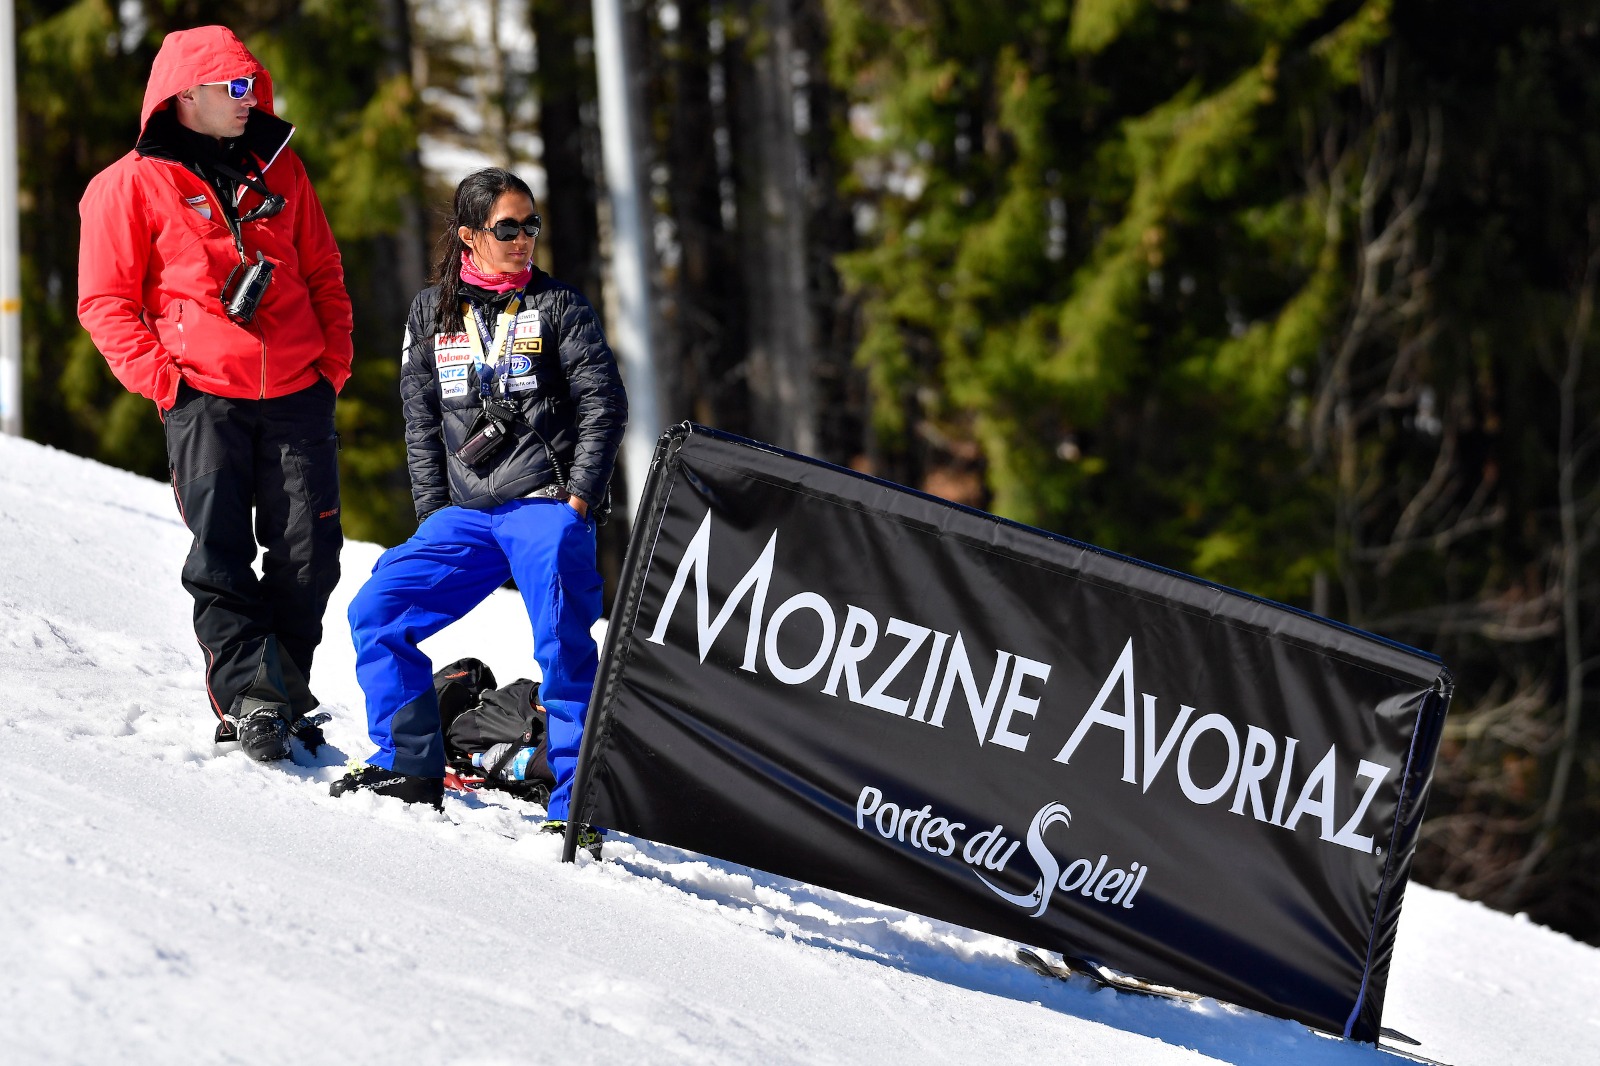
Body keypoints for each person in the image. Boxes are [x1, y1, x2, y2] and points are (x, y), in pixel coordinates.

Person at [77, 26, 353, 762]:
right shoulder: (126, 185)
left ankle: (282, 691)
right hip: (203, 399)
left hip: (299, 390)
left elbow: (324, 269)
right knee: (222, 556)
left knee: (311, 555)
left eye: (252, 86)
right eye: (233, 89)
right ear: (184, 96)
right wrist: (167, 384)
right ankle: (253, 699)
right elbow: (105, 302)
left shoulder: (281, 169)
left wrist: (333, 363)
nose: (250, 100)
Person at [332, 168, 627, 827]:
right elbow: (420, 419)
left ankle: (577, 803)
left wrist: (576, 501)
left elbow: (604, 406)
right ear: (469, 236)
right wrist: (435, 512)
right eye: (507, 229)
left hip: (543, 508)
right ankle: (408, 765)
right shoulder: (430, 313)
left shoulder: (560, 307)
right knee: (377, 610)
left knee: (563, 645)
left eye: (532, 226)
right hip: (465, 516)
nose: (524, 239)